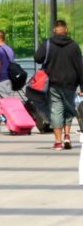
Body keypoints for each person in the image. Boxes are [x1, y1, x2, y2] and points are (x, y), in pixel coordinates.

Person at [33, 19, 83, 151]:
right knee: (68, 110)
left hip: (53, 83)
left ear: (55, 30)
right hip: (71, 84)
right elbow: (80, 67)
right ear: (66, 31)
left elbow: (37, 58)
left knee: (56, 110)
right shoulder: (74, 46)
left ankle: (58, 142)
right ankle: (67, 136)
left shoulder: (48, 43)